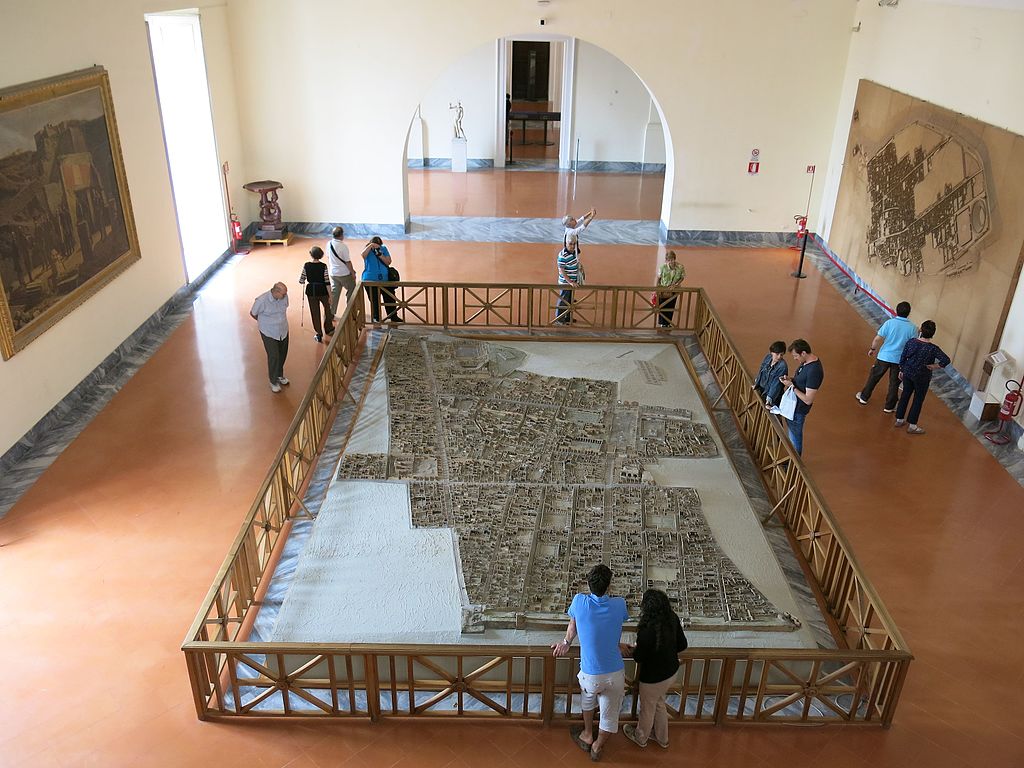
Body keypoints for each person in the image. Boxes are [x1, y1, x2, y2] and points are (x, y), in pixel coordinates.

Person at [552, 564, 629, 763]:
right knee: (610, 713)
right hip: (615, 673)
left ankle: (587, 734)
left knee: (587, 701)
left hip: (591, 674)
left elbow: (573, 625)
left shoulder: (579, 601)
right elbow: (610, 625)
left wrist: (566, 643)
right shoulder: (620, 604)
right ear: (609, 586)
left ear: (588, 584)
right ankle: (597, 747)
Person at [622, 589, 688, 751]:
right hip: (671, 671)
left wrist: (636, 648)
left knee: (647, 708)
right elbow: (682, 645)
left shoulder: (646, 631)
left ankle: (641, 737)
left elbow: (639, 657)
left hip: (653, 678)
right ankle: (662, 738)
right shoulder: (672, 618)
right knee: (658, 703)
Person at [856, 301, 916, 412]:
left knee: (874, 377)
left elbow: (877, 339)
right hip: (899, 360)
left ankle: (864, 397)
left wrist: (873, 349)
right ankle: (889, 406)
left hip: (884, 356)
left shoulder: (889, 323)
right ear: (909, 313)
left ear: (896, 310)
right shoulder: (912, 328)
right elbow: (913, 346)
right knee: (894, 383)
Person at [894, 320, 950, 435]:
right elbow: (946, 360)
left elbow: (903, 357)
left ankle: (899, 419)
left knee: (905, 395)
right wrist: (935, 366)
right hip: (922, 377)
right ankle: (912, 425)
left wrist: (902, 369)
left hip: (908, 373)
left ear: (921, 330)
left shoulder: (911, 342)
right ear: (933, 334)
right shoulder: (933, 348)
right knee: (918, 399)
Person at [780, 339, 823, 456]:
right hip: (793, 406)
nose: (795, 359)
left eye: (795, 356)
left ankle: (794, 465)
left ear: (803, 353)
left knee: (795, 438)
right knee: (792, 435)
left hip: (798, 410)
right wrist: (791, 380)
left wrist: (792, 387)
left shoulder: (814, 371)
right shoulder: (805, 363)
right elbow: (801, 381)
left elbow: (808, 400)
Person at [250, 282, 290, 393]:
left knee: (282, 354)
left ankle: (279, 375)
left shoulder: (284, 297)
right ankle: (273, 381)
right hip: (268, 332)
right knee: (273, 355)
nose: (285, 295)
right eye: (283, 293)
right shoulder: (262, 301)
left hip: (283, 330)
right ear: (276, 292)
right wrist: (263, 322)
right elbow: (253, 313)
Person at [298, 246, 334, 343]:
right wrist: (330, 295)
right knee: (327, 309)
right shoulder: (324, 266)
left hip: (311, 292)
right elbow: (327, 281)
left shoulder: (306, 265)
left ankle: (319, 333)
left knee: (315, 312)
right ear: (321, 255)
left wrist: (304, 280)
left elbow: (301, 280)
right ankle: (329, 328)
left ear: (311, 254)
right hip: (323, 291)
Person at [360, 236, 392, 323]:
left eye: (378, 245)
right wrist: (370, 246)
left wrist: (380, 254)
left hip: (384, 279)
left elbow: (388, 262)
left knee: (389, 298)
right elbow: (362, 255)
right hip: (370, 280)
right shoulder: (367, 250)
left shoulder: (383, 249)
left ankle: (393, 316)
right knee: (374, 300)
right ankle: (377, 317)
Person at [326, 226, 355, 315]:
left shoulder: (329, 244)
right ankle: (350, 311)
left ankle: (331, 313)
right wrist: (352, 272)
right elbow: (348, 262)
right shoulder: (343, 246)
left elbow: (328, 256)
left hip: (333, 273)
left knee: (334, 294)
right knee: (351, 290)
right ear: (341, 235)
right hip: (344, 274)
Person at [555, 232, 583, 325]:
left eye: (574, 244)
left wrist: (579, 266)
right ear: (566, 244)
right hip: (565, 283)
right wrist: (570, 282)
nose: (572, 246)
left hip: (572, 282)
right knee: (563, 301)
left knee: (570, 301)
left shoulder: (574, 252)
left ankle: (567, 317)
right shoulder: (562, 255)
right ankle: (559, 319)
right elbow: (562, 271)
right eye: (570, 244)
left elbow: (576, 261)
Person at [753, 341, 788, 407]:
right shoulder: (768, 357)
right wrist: (757, 384)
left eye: (781, 355)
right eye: (777, 354)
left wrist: (769, 398)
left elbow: (777, 383)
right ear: (771, 352)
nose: (779, 357)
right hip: (762, 390)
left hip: (773, 395)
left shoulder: (783, 366)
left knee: (769, 412)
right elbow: (761, 370)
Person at [655, 250, 685, 328]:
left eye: (672, 259)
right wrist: (657, 289)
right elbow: (658, 278)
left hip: (674, 290)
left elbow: (682, 277)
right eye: (669, 260)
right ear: (666, 260)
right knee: (662, 306)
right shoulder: (663, 267)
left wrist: (676, 284)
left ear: (675, 258)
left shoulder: (680, 267)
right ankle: (662, 323)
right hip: (663, 289)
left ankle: (668, 323)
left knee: (671, 306)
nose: (671, 261)